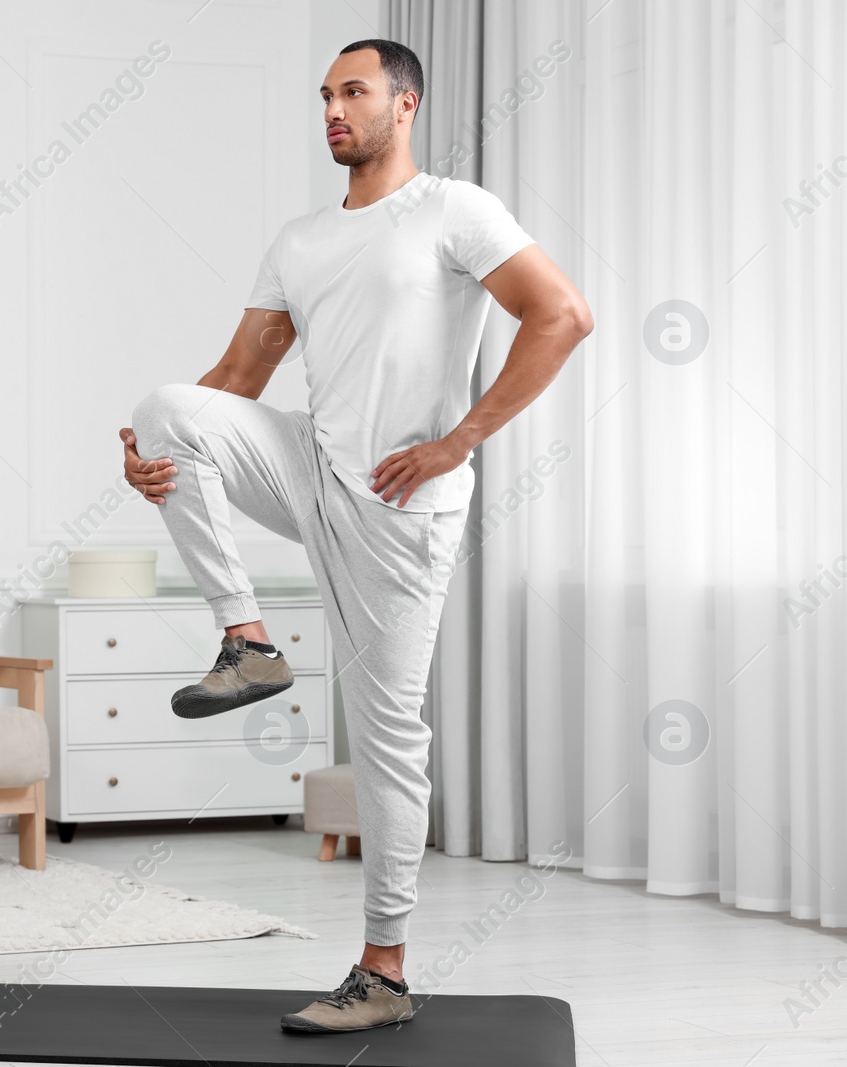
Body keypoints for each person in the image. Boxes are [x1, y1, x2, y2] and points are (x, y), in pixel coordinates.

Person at [121, 38, 592, 1033]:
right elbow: (234, 384)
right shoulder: (298, 240)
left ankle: (383, 969)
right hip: (311, 469)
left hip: (398, 502)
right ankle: (246, 641)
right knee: (167, 406)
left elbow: (561, 315)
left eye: (353, 91)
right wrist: (157, 455)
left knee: (384, 739)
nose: (333, 109)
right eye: (325, 95)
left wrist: (459, 438)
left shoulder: (454, 209)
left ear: (404, 104)